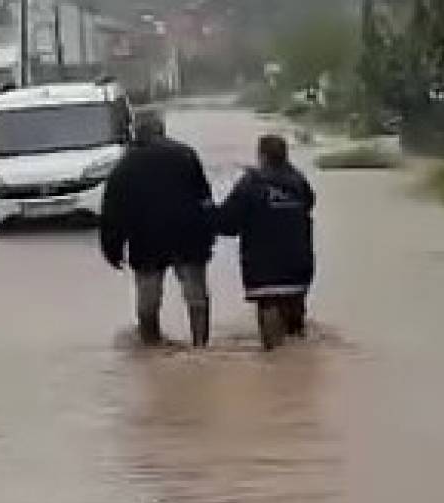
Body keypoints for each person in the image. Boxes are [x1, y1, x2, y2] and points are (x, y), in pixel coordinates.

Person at [101, 111, 215, 347]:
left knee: (148, 298)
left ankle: (151, 347)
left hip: (146, 241)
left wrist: (112, 248)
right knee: (195, 294)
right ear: (161, 130)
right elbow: (205, 198)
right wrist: (209, 234)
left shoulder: (125, 164)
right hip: (188, 236)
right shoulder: (185, 154)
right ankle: (200, 345)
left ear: (135, 133)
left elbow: (113, 212)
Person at [217, 135, 317, 350]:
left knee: (270, 312)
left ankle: (276, 363)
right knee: (295, 315)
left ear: (261, 156)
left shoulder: (249, 184)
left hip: (263, 269)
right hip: (299, 265)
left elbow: (227, 223)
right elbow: (309, 205)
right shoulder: (299, 181)